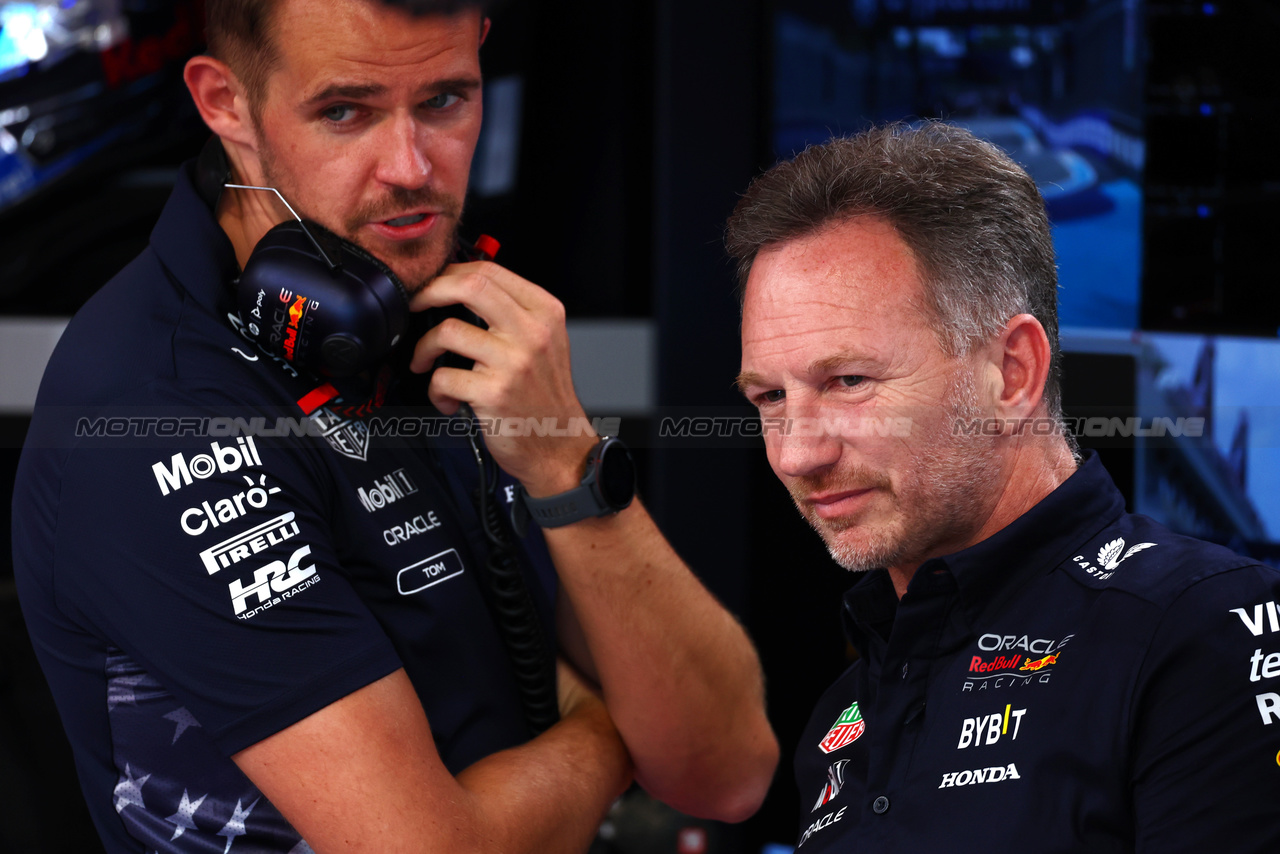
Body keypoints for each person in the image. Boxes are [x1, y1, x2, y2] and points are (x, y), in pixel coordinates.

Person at [11, 1, 778, 852]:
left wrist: (566, 458)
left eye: (446, 100)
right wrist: (613, 731)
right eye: (345, 112)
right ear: (224, 102)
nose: (411, 169)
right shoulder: (154, 406)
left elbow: (728, 769)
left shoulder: (439, 315)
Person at [727, 121, 1280, 853]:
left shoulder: (1202, 626)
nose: (798, 452)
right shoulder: (839, 720)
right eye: (770, 398)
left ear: (1013, 373)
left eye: (849, 381)